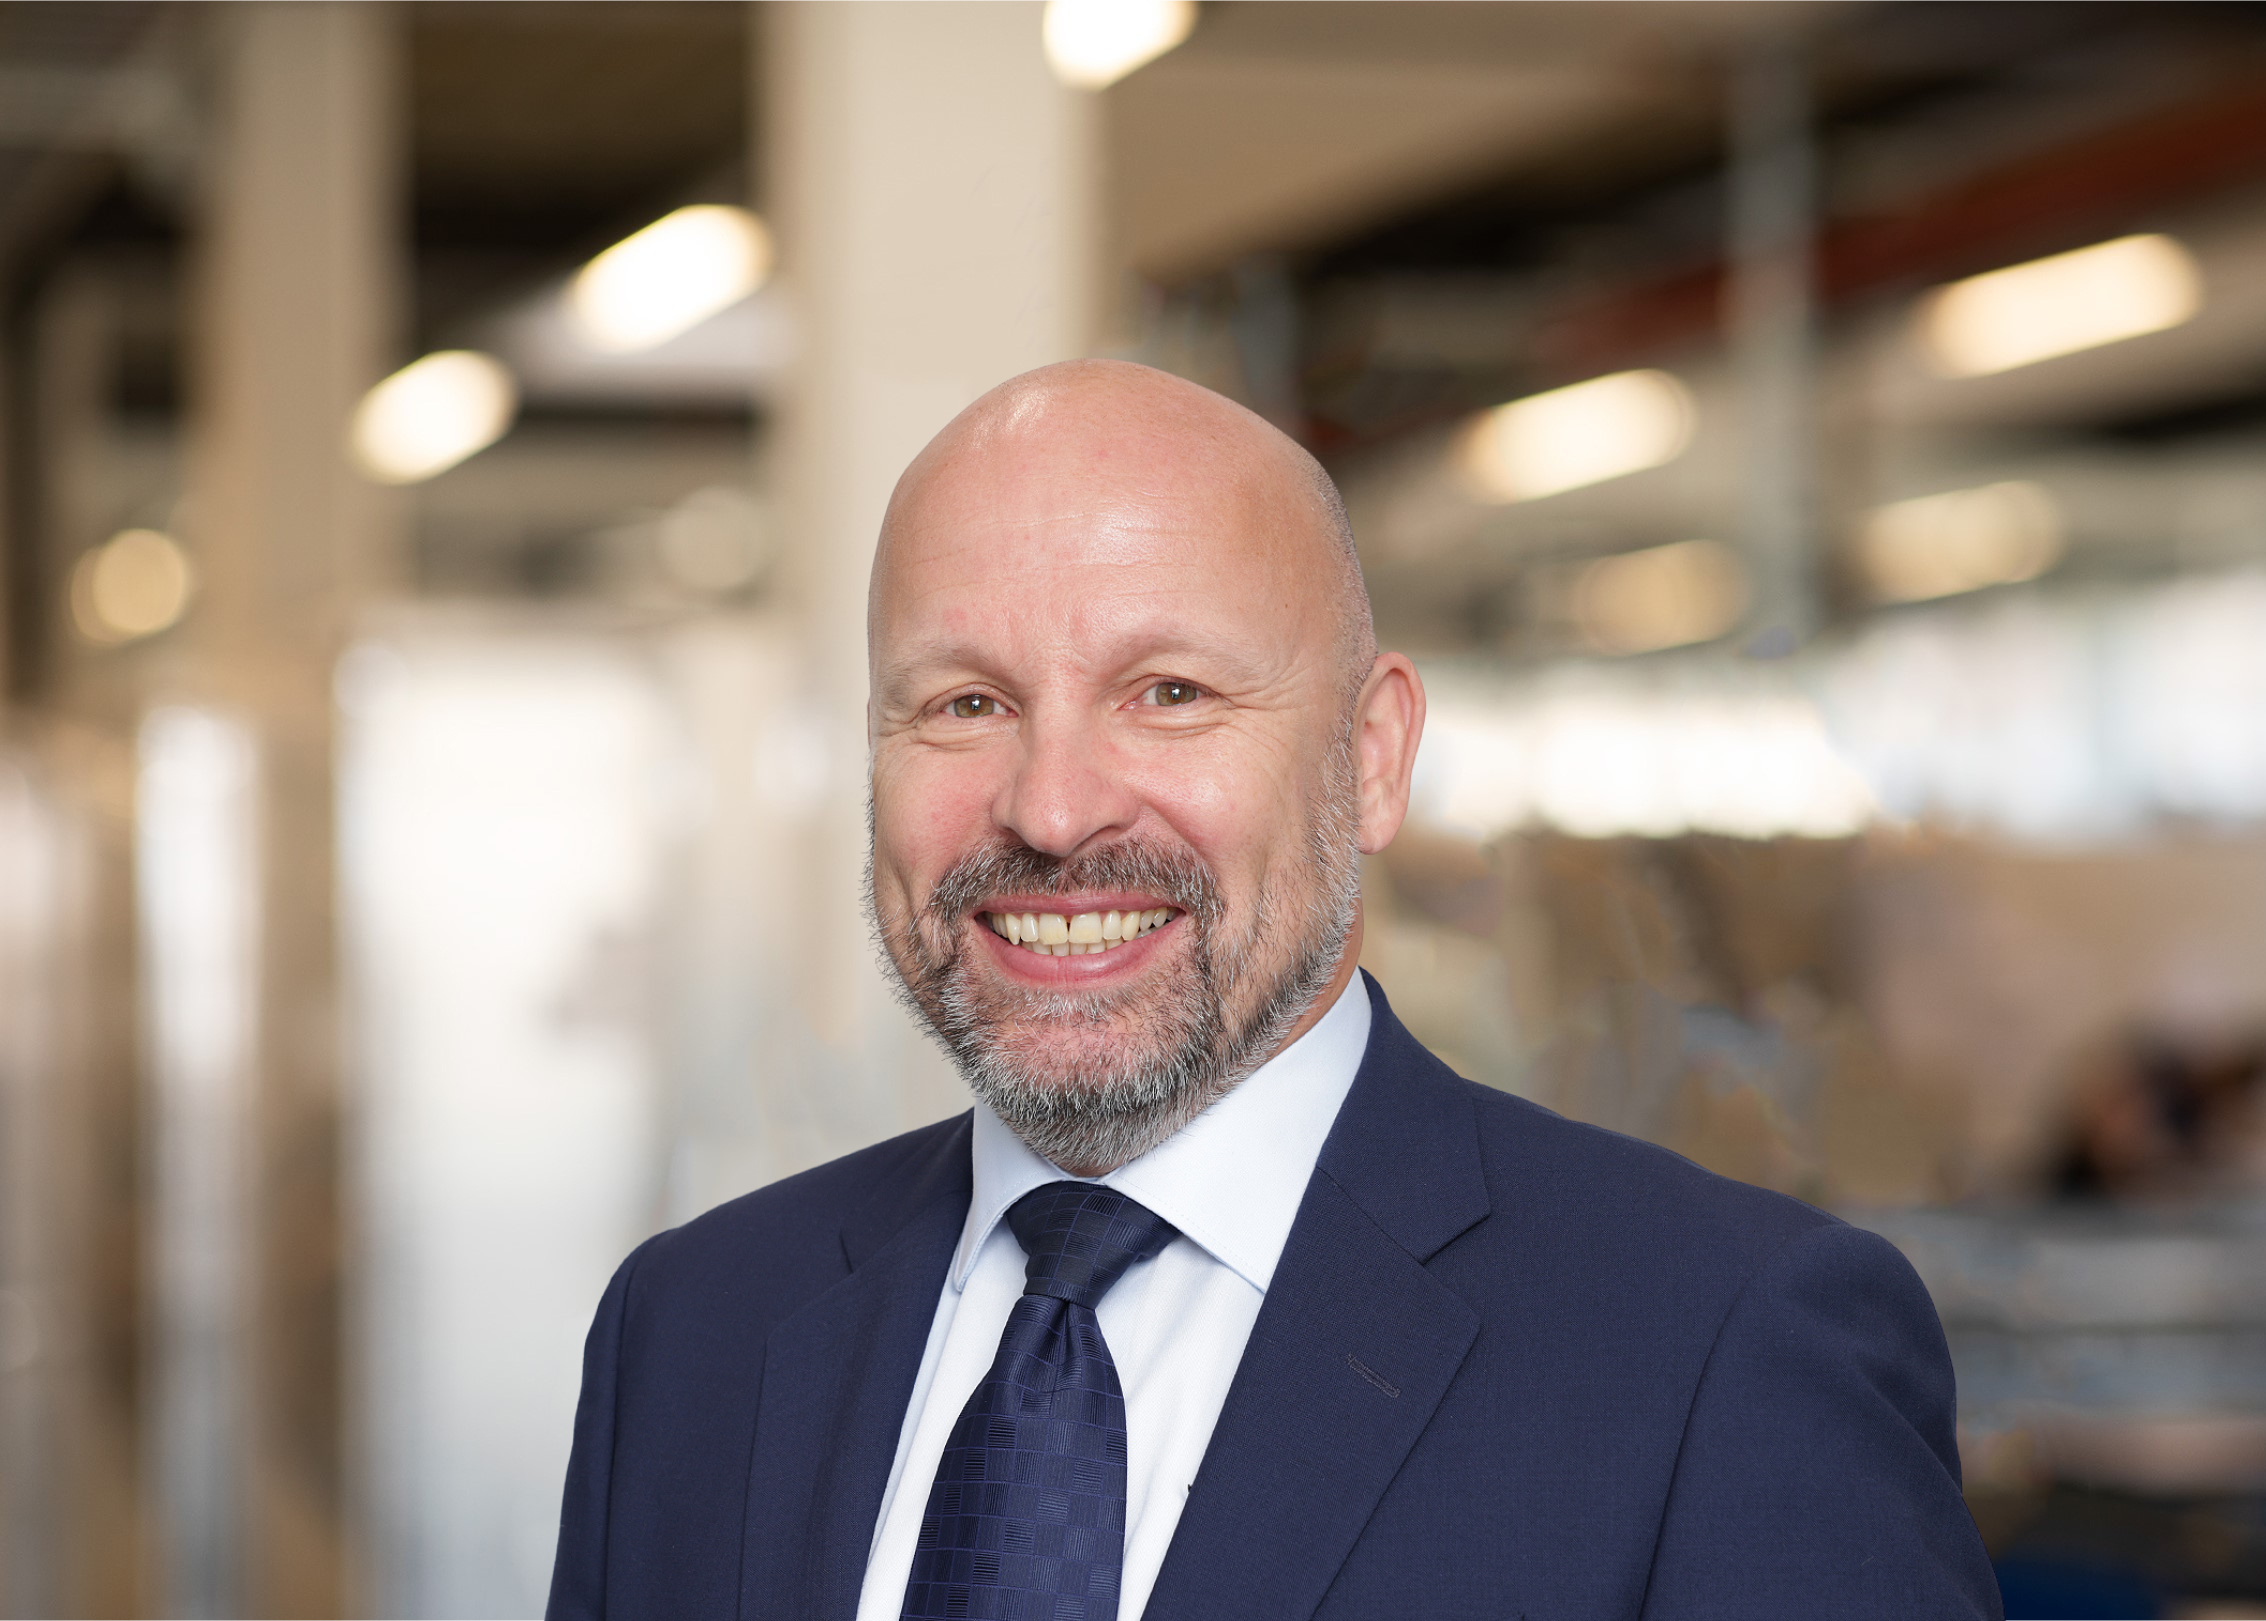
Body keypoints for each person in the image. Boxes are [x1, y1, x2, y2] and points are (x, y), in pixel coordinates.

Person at [546, 360, 2001, 1621]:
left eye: (1169, 693)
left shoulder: (1720, 1351)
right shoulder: (693, 1333)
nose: (1051, 808)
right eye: (964, 703)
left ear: (1370, 758)